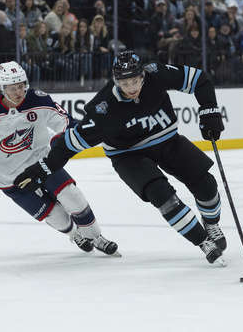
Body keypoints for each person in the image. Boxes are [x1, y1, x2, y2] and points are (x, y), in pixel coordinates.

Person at [14, 51, 227, 265]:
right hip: (128, 155)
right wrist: (42, 168)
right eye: (125, 83)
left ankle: (211, 224)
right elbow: (69, 144)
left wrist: (209, 110)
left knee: (206, 185)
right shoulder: (104, 108)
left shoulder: (156, 73)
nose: (132, 88)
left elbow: (201, 80)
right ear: (116, 81)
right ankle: (203, 242)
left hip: (167, 141)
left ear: (143, 75)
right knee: (161, 194)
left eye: (135, 81)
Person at [0, 61, 119, 256]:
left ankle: (96, 237)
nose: (19, 92)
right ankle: (75, 234)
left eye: (22, 85)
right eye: (13, 88)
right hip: (8, 177)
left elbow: (64, 121)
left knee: (72, 195)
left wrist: (65, 136)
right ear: (1, 88)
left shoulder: (38, 100)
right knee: (55, 215)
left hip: (42, 163)